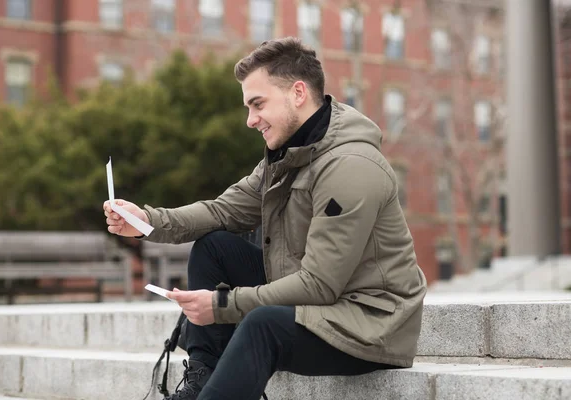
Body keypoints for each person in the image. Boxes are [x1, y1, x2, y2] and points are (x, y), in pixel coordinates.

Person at [103, 37, 427, 400]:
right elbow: (222, 211)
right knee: (214, 247)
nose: (250, 120)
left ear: (298, 93)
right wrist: (146, 220)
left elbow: (319, 286)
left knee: (263, 325)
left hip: (368, 323)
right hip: (318, 302)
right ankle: (201, 382)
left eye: (258, 104)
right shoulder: (287, 156)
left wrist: (221, 305)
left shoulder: (351, 166)